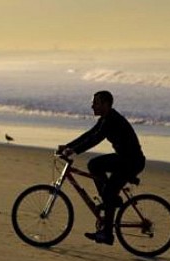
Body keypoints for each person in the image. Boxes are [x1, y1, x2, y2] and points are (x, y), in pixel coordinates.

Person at [57, 90, 145, 246]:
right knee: (94, 165)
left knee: (109, 192)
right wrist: (69, 146)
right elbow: (90, 134)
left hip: (132, 162)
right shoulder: (106, 118)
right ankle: (109, 200)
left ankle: (107, 234)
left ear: (106, 104)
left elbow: (95, 139)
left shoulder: (111, 120)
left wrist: (74, 150)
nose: (92, 106)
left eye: (96, 103)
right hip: (124, 159)